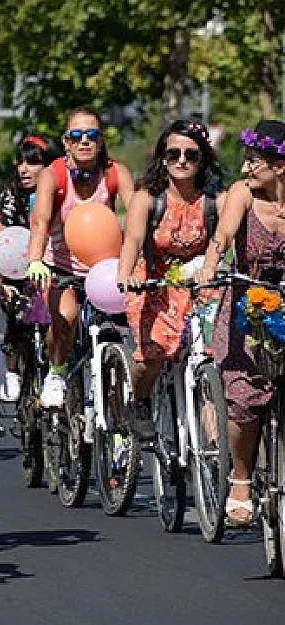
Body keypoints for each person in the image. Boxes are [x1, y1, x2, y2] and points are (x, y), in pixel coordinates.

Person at [196, 119, 285, 526]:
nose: (246, 169)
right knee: (245, 400)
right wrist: (212, 264)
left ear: (279, 166)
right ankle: (241, 477)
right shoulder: (241, 194)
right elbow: (224, 234)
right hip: (246, 305)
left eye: (254, 161)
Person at [117, 119, 224, 443]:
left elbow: (227, 239)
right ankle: (139, 402)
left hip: (200, 285)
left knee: (211, 358)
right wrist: (124, 276)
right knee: (153, 353)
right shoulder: (147, 198)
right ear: (162, 157)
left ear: (202, 159)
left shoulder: (214, 201)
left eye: (191, 155)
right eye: (173, 153)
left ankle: (216, 454)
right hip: (153, 284)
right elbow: (133, 241)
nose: (181, 160)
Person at [25, 106, 134, 408]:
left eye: (92, 135)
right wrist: (35, 259)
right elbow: (41, 220)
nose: (84, 141)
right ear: (66, 142)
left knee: (123, 328)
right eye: (76, 135)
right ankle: (56, 373)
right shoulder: (53, 174)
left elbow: (137, 215)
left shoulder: (115, 172)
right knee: (66, 318)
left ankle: (119, 400)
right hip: (59, 266)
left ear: (100, 142)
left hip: (105, 268)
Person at [0, 136, 57, 405]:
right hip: (17, 274)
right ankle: (12, 370)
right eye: (20, 162)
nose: (23, 168)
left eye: (33, 162)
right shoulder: (10, 196)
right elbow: (0, 241)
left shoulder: (62, 193)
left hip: (55, 270)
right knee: (17, 309)